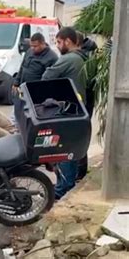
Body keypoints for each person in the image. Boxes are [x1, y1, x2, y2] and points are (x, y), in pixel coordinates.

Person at [42, 26, 88, 200]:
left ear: (68, 41)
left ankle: (63, 188)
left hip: (69, 109)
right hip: (80, 108)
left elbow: (47, 76)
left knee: (64, 148)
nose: (58, 46)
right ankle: (67, 183)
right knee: (73, 148)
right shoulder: (84, 57)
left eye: (59, 42)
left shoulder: (69, 58)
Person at [75, 32, 98, 182]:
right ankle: (81, 170)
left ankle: (81, 170)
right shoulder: (91, 51)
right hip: (88, 98)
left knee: (80, 135)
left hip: (85, 99)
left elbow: (87, 78)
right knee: (81, 134)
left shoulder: (84, 55)